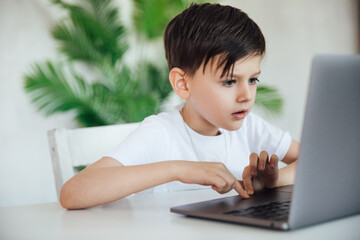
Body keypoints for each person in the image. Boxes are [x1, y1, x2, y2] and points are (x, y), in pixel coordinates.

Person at [60, 3, 299, 210]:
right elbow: (72, 193)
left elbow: (317, 160)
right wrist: (178, 169)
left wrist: (272, 183)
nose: (246, 95)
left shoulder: (250, 126)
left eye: (253, 80)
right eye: (229, 81)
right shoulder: (161, 133)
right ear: (183, 84)